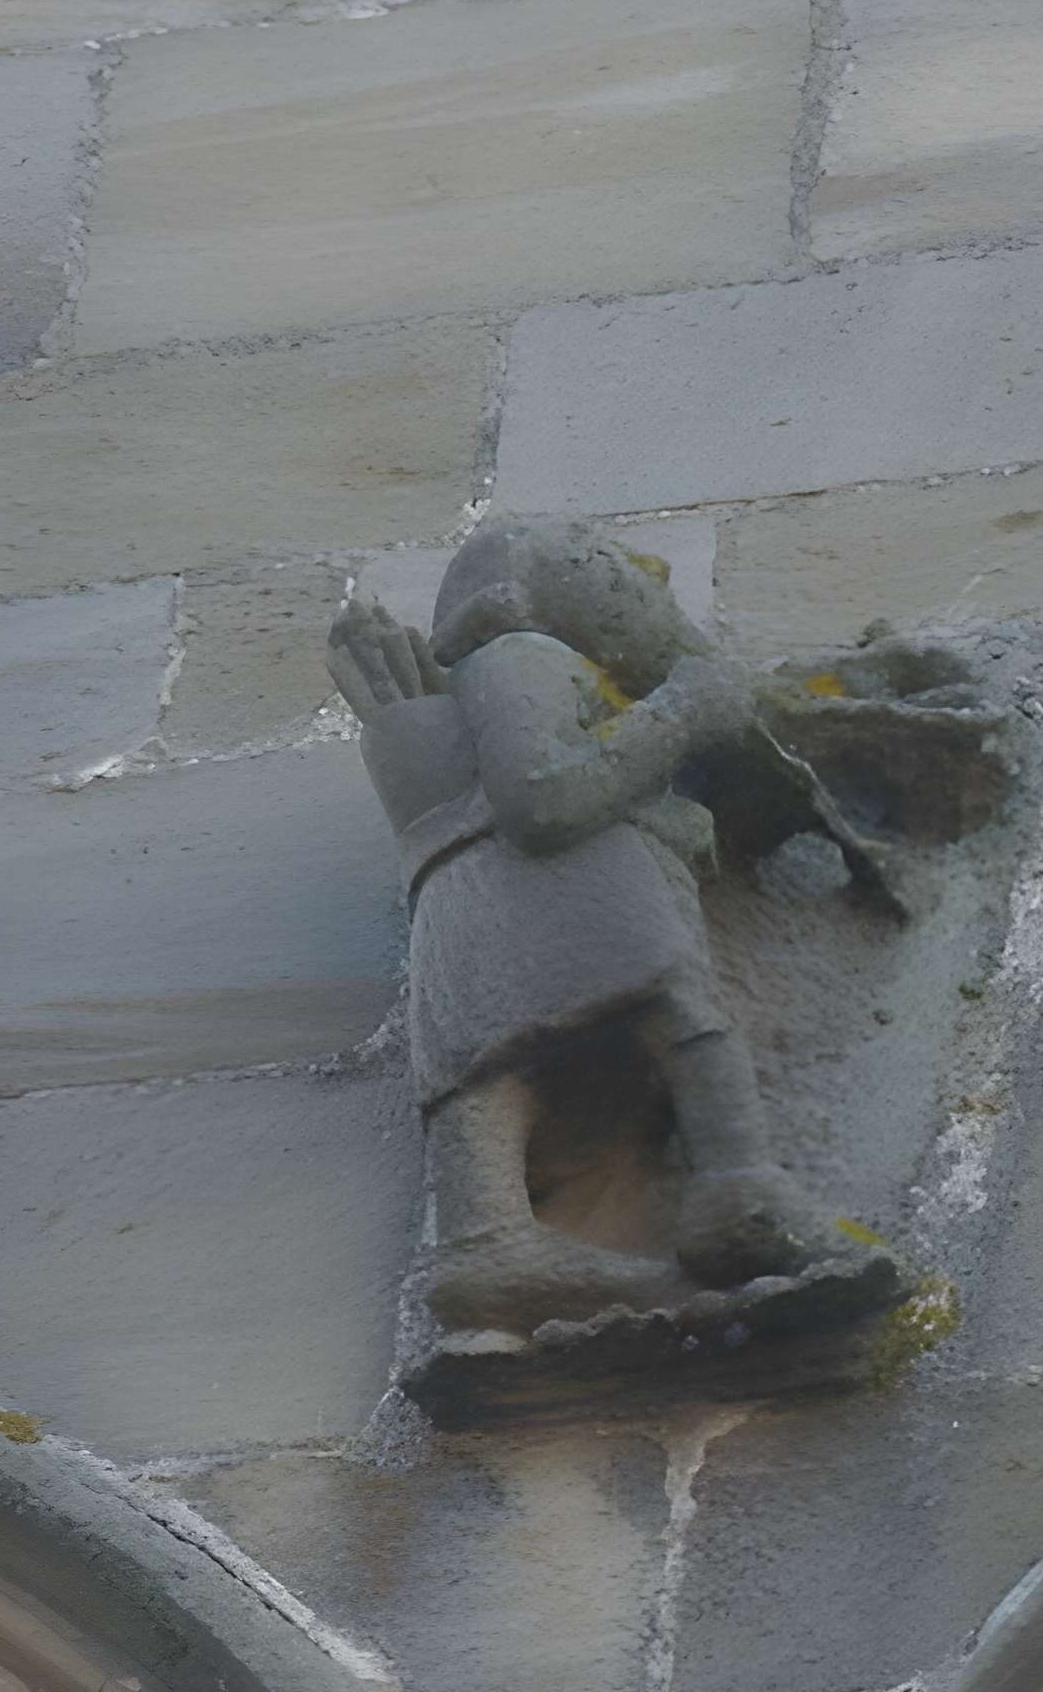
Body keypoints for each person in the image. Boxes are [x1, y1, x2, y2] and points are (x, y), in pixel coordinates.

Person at [332, 522, 870, 1333]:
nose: (644, 598)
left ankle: (488, 1234)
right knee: (683, 1024)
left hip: (463, 928)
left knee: (485, 1077)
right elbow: (543, 798)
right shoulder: (527, 658)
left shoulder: (463, 695)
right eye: (626, 583)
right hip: (582, 901)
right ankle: (736, 1188)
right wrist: (683, 712)